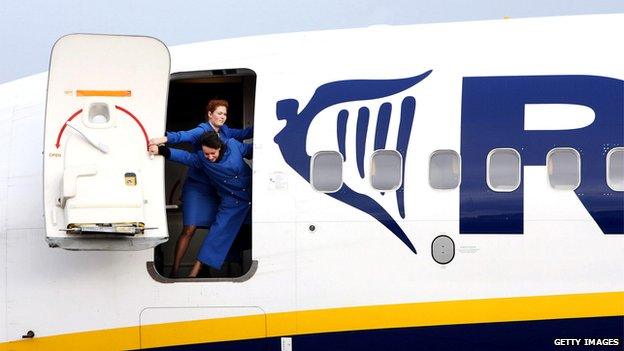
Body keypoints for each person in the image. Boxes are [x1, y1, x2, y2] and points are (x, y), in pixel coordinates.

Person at [149, 99, 252, 278]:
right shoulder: (202, 144)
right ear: (209, 114)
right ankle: (180, 272)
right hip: (212, 191)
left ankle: (212, 265)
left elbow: (249, 142)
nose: (222, 116)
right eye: (219, 113)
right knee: (196, 229)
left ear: (220, 147)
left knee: (235, 229)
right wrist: (162, 145)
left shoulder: (230, 140)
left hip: (235, 192)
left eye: (224, 114)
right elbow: (184, 149)